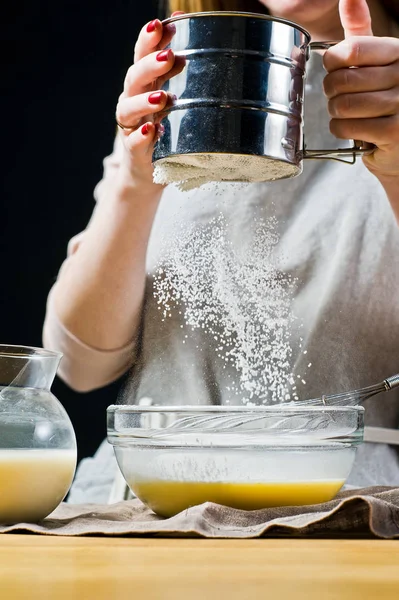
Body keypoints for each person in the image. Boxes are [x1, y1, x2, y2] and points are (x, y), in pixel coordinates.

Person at [43, 0, 399, 503]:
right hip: (147, 507)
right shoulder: (184, 80)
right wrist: (135, 181)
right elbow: (79, 366)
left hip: (344, 513)